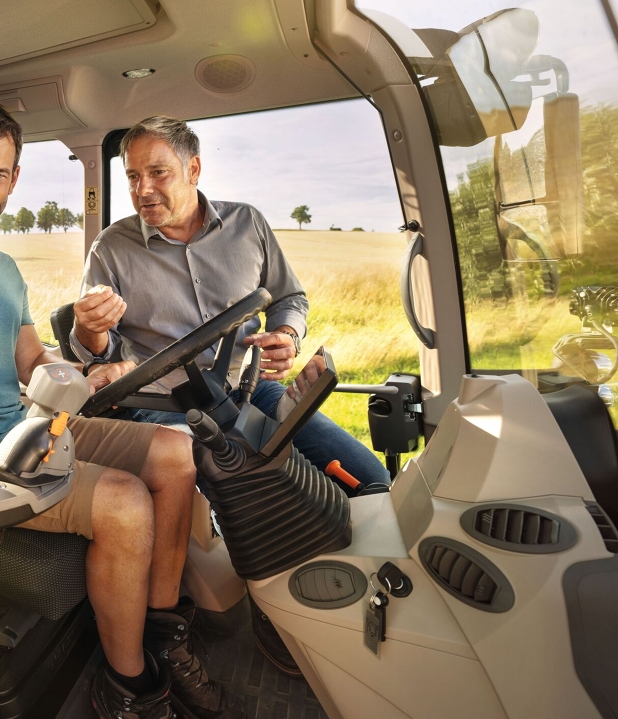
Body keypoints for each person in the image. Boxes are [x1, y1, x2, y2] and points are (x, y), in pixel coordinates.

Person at [0, 102, 243, 719]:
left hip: (28, 423)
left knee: (175, 453)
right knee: (123, 502)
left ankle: (165, 634)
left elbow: (34, 363)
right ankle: (128, 685)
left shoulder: (2, 268)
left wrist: (89, 357)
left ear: (15, 178)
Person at [69, 115, 391, 489]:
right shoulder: (110, 248)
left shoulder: (248, 223)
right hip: (163, 406)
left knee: (369, 479)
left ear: (194, 169)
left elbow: (288, 296)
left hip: (251, 391)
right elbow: (98, 357)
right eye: (132, 176)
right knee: (237, 500)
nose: (143, 189)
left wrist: (287, 333)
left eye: (158, 172)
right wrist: (88, 328)